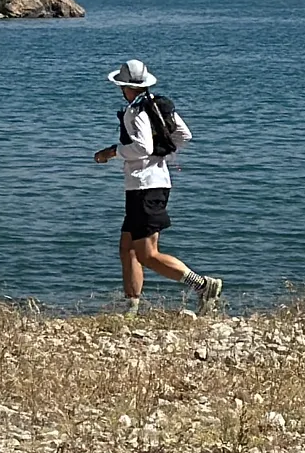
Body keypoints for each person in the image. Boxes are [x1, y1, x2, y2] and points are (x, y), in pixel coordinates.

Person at [94, 58, 222, 315]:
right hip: (153, 184)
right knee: (127, 248)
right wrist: (161, 152)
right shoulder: (158, 106)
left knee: (147, 254)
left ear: (125, 87)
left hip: (144, 188)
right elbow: (184, 136)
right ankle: (131, 308)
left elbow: (142, 148)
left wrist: (112, 152)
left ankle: (202, 285)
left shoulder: (135, 111)